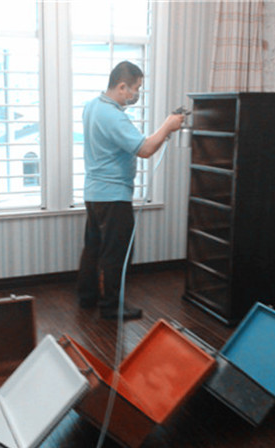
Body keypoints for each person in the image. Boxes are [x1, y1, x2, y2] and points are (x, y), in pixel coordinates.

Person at [77, 61, 185, 320]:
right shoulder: (112, 115)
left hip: (94, 193)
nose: (137, 94)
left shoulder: (92, 106)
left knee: (93, 248)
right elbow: (145, 149)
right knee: (115, 253)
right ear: (122, 86)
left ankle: (87, 297)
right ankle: (111, 307)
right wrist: (168, 125)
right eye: (136, 88)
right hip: (113, 195)